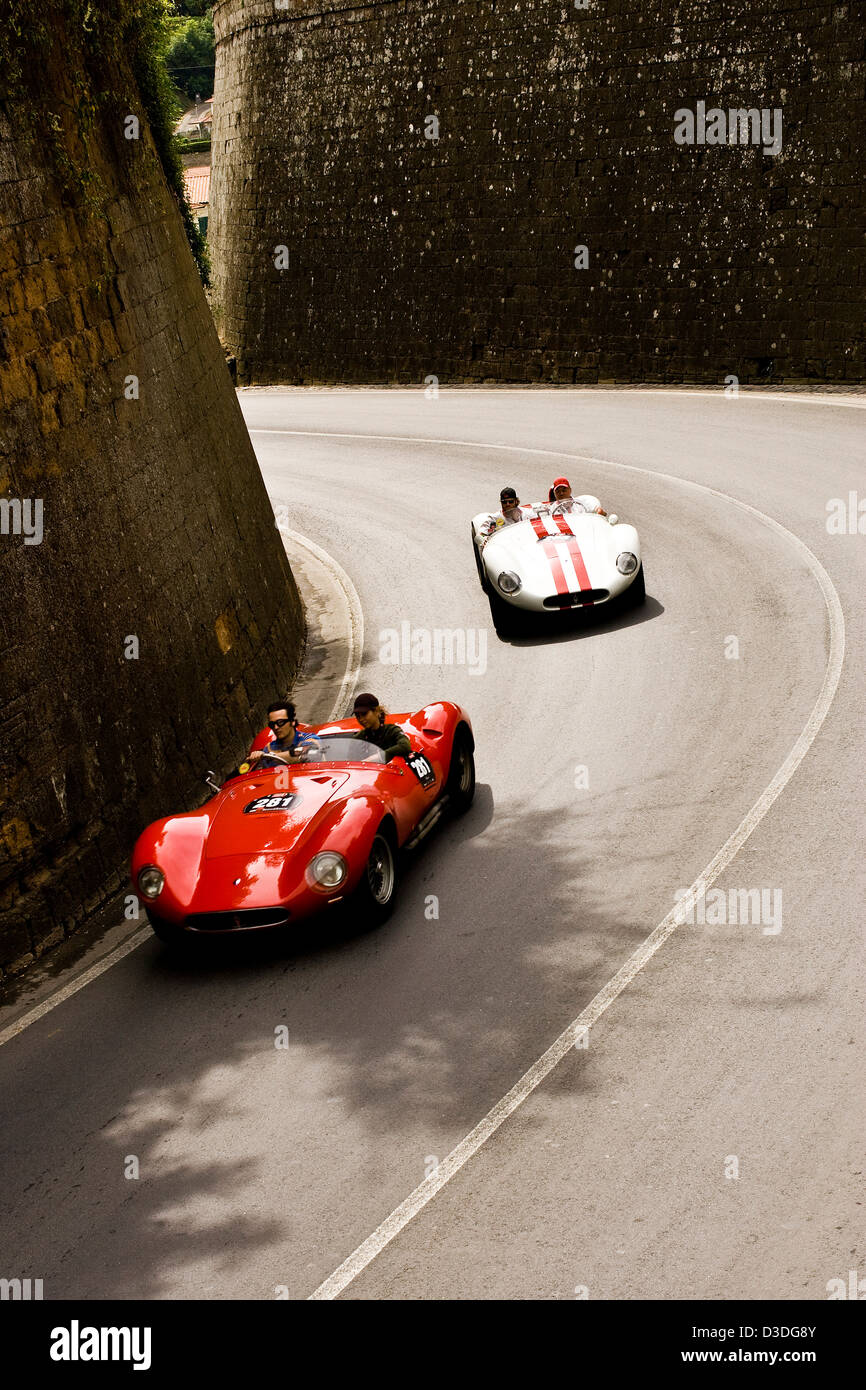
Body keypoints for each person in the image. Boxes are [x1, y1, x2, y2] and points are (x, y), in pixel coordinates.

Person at [246, 700, 319, 766]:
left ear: (292, 722)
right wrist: (256, 757)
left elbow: (308, 753)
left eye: (280, 722)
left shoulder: (309, 738)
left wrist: (270, 756)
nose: (276, 727)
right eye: (272, 724)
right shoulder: (268, 748)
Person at [351, 693, 411, 762]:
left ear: (376, 711)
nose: (361, 719)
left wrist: (378, 757)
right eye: (358, 716)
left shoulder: (392, 731)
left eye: (364, 714)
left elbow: (405, 746)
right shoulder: (357, 739)